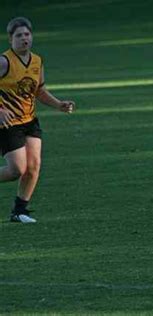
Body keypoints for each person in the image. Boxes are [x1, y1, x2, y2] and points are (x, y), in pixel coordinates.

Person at [0, 17, 75, 223]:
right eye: (19, 35)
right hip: (9, 124)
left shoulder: (37, 61)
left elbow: (39, 91)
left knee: (33, 166)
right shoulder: (4, 61)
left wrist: (58, 104)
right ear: (10, 39)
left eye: (27, 34)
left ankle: (19, 211)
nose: (24, 39)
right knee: (17, 170)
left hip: (30, 121)